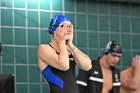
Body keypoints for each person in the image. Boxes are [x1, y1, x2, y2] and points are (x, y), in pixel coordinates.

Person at [38, 14, 92, 93]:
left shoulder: (70, 49)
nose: (68, 29)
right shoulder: (44, 48)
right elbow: (64, 65)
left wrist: (71, 45)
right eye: (63, 26)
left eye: (69, 26)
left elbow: (88, 66)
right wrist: (61, 42)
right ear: (54, 29)